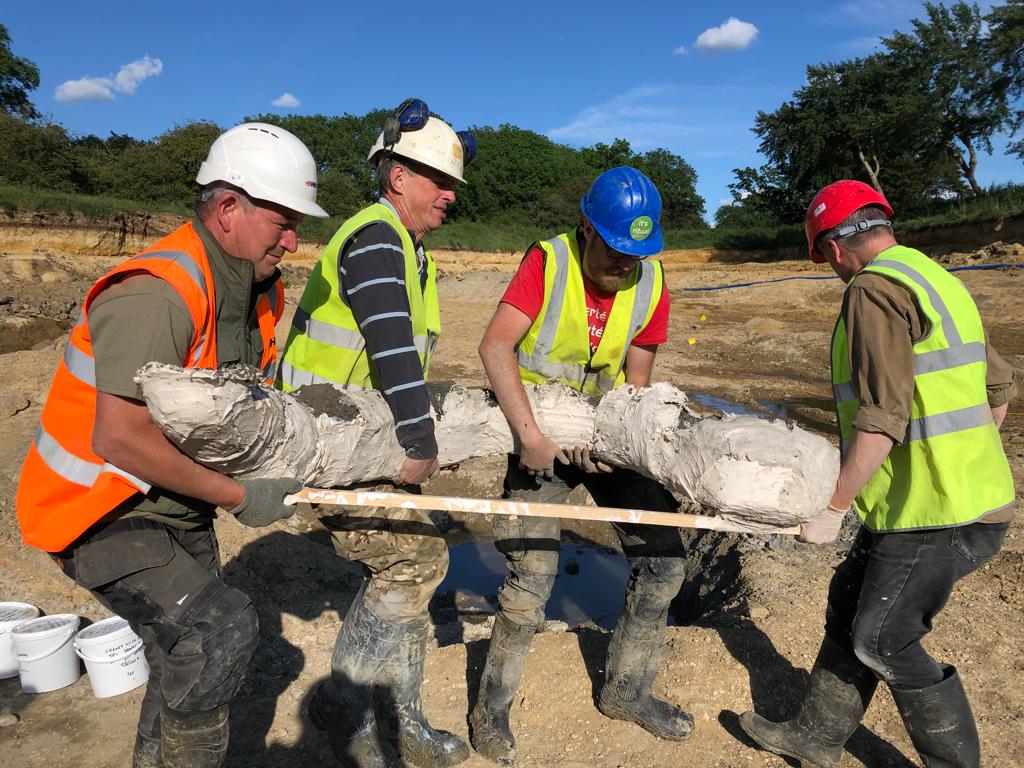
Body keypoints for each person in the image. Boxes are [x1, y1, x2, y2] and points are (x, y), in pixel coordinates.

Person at [15, 122, 328, 767]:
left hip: (172, 503)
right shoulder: (157, 291)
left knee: (177, 655)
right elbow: (119, 437)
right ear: (229, 209)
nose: (293, 241)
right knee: (217, 633)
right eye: (283, 222)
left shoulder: (256, 290)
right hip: (96, 507)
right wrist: (238, 495)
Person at [738, 180, 1017, 768]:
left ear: (834, 247)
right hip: (960, 498)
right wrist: (967, 457)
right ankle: (815, 738)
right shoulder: (935, 278)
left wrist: (834, 507)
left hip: (934, 512)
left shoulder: (872, 289)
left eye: (825, 258)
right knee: (850, 602)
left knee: (884, 638)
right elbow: (998, 389)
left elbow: (881, 418)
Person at [469, 166, 693, 766]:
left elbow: (637, 383)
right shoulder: (550, 262)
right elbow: (495, 345)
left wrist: (617, 444)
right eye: (616, 250)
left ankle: (626, 692)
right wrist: (530, 437)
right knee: (531, 576)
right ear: (587, 228)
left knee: (664, 562)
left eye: (635, 255)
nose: (625, 266)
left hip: (604, 439)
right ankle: (492, 708)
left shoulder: (651, 282)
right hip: (539, 433)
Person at [276, 99, 475, 768]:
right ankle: (346, 710)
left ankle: (405, 718)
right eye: (439, 181)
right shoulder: (378, 237)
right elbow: (390, 345)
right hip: (328, 439)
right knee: (413, 562)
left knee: (422, 560)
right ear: (398, 177)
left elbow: (399, 354)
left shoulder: (407, 247)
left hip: (362, 434)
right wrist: (420, 441)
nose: (450, 195)